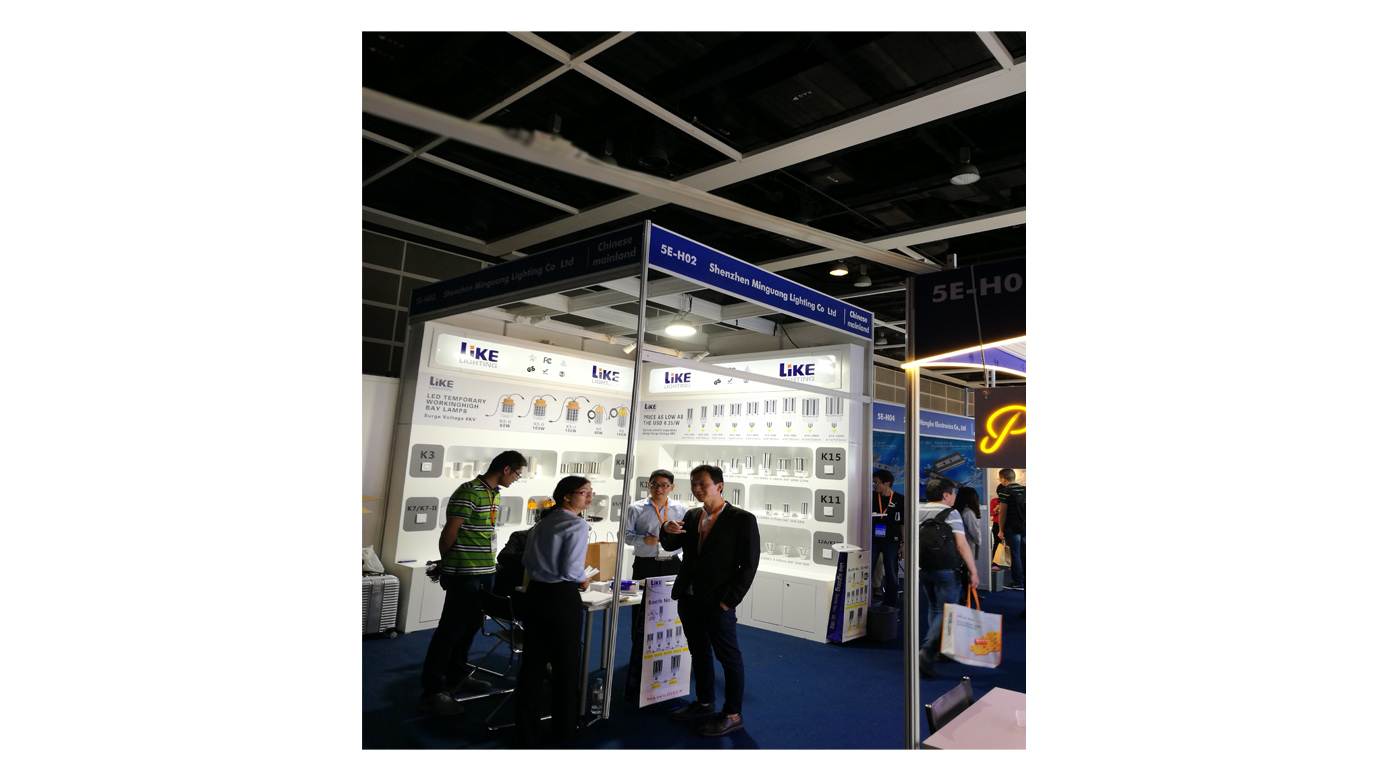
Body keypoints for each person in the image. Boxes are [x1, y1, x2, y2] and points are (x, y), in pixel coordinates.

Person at [418, 450, 526, 716]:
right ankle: (432, 691)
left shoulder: (494, 493)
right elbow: (449, 533)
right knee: (450, 630)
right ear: (506, 469)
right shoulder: (468, 492)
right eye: (517, 473)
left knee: (470, 628)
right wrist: (448, 566)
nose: (517, 479)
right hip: (465, 573)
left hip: (486, 571)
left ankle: (457, 676)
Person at [659, 464, 759, 738]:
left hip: (717, 601)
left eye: (702, 484)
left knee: (728, 657)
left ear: (719, 485)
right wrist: (665, 528)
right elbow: (671, 546)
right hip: (689, 597)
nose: (696, 489)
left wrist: (730, 601)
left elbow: (749, 565)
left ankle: (733, 714)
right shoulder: (692, 516)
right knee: (699, 652)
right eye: (693, 484)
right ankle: (704, 703)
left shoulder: (741, 519)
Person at [515, 475, 594, 747]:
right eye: (584, 492)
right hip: (561, 598)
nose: (589, 497)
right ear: (566, 496)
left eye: (591, 492)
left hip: (535, 595)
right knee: (565, 665)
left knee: (532, 666)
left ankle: (526, 731)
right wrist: (583, 579)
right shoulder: (577, 524)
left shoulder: (542, 522)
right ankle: (564, 728)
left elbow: (526, 560)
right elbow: (571, 569)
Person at [623, 469, 687, 704]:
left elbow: (686, 536)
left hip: (672, 564)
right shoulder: (636, 508)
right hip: (646, 564)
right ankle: (639, 657)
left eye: (664, 485)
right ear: (648, 485)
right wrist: (643, 540)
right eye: (654, 484)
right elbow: (625, 535)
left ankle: (671, 654)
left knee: (673, 610)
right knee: (641, 609)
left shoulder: (680, 509)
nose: (659, 489)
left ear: (672, 487)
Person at [916, 477, 979, 678]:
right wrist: (973, 570)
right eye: (953, 493)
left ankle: (938, 649)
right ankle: (927, 652)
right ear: (945, 495)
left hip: (924, 567)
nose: (954, 497)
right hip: (946, 569)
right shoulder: (952, 513)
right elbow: (961, 544)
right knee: (947, 611)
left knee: (935, 608)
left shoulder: (918, 510)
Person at [870, 469, 906, 608]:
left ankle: (890, 605)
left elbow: (903, 524)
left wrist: (904, 544)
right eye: (873, 482)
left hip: (892, 541)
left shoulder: (900, 499)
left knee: (892, 573)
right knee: (867, 571)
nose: (874, 485)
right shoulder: (871, 497)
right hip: (873, 540)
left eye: (877, 482)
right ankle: (866, 601)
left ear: (887, 483)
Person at [997, 468, 1027, 590]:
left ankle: (1017, 582)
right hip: (1025, 526)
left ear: (1003, 479)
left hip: (1012, 527)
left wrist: (1000, 530)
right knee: (1025, 554)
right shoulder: (1025, 489)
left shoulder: (1005, 492)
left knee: (1015, 555)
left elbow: (1002, 513)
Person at [952, 486, 983, 602]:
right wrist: (979, 541)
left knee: (962, 571)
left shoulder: (956, 511)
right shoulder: (968, 513)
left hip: (957, 546)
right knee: (966, 571)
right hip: (967, 545)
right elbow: (975, 532)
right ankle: (968, 595)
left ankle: (967, 594)